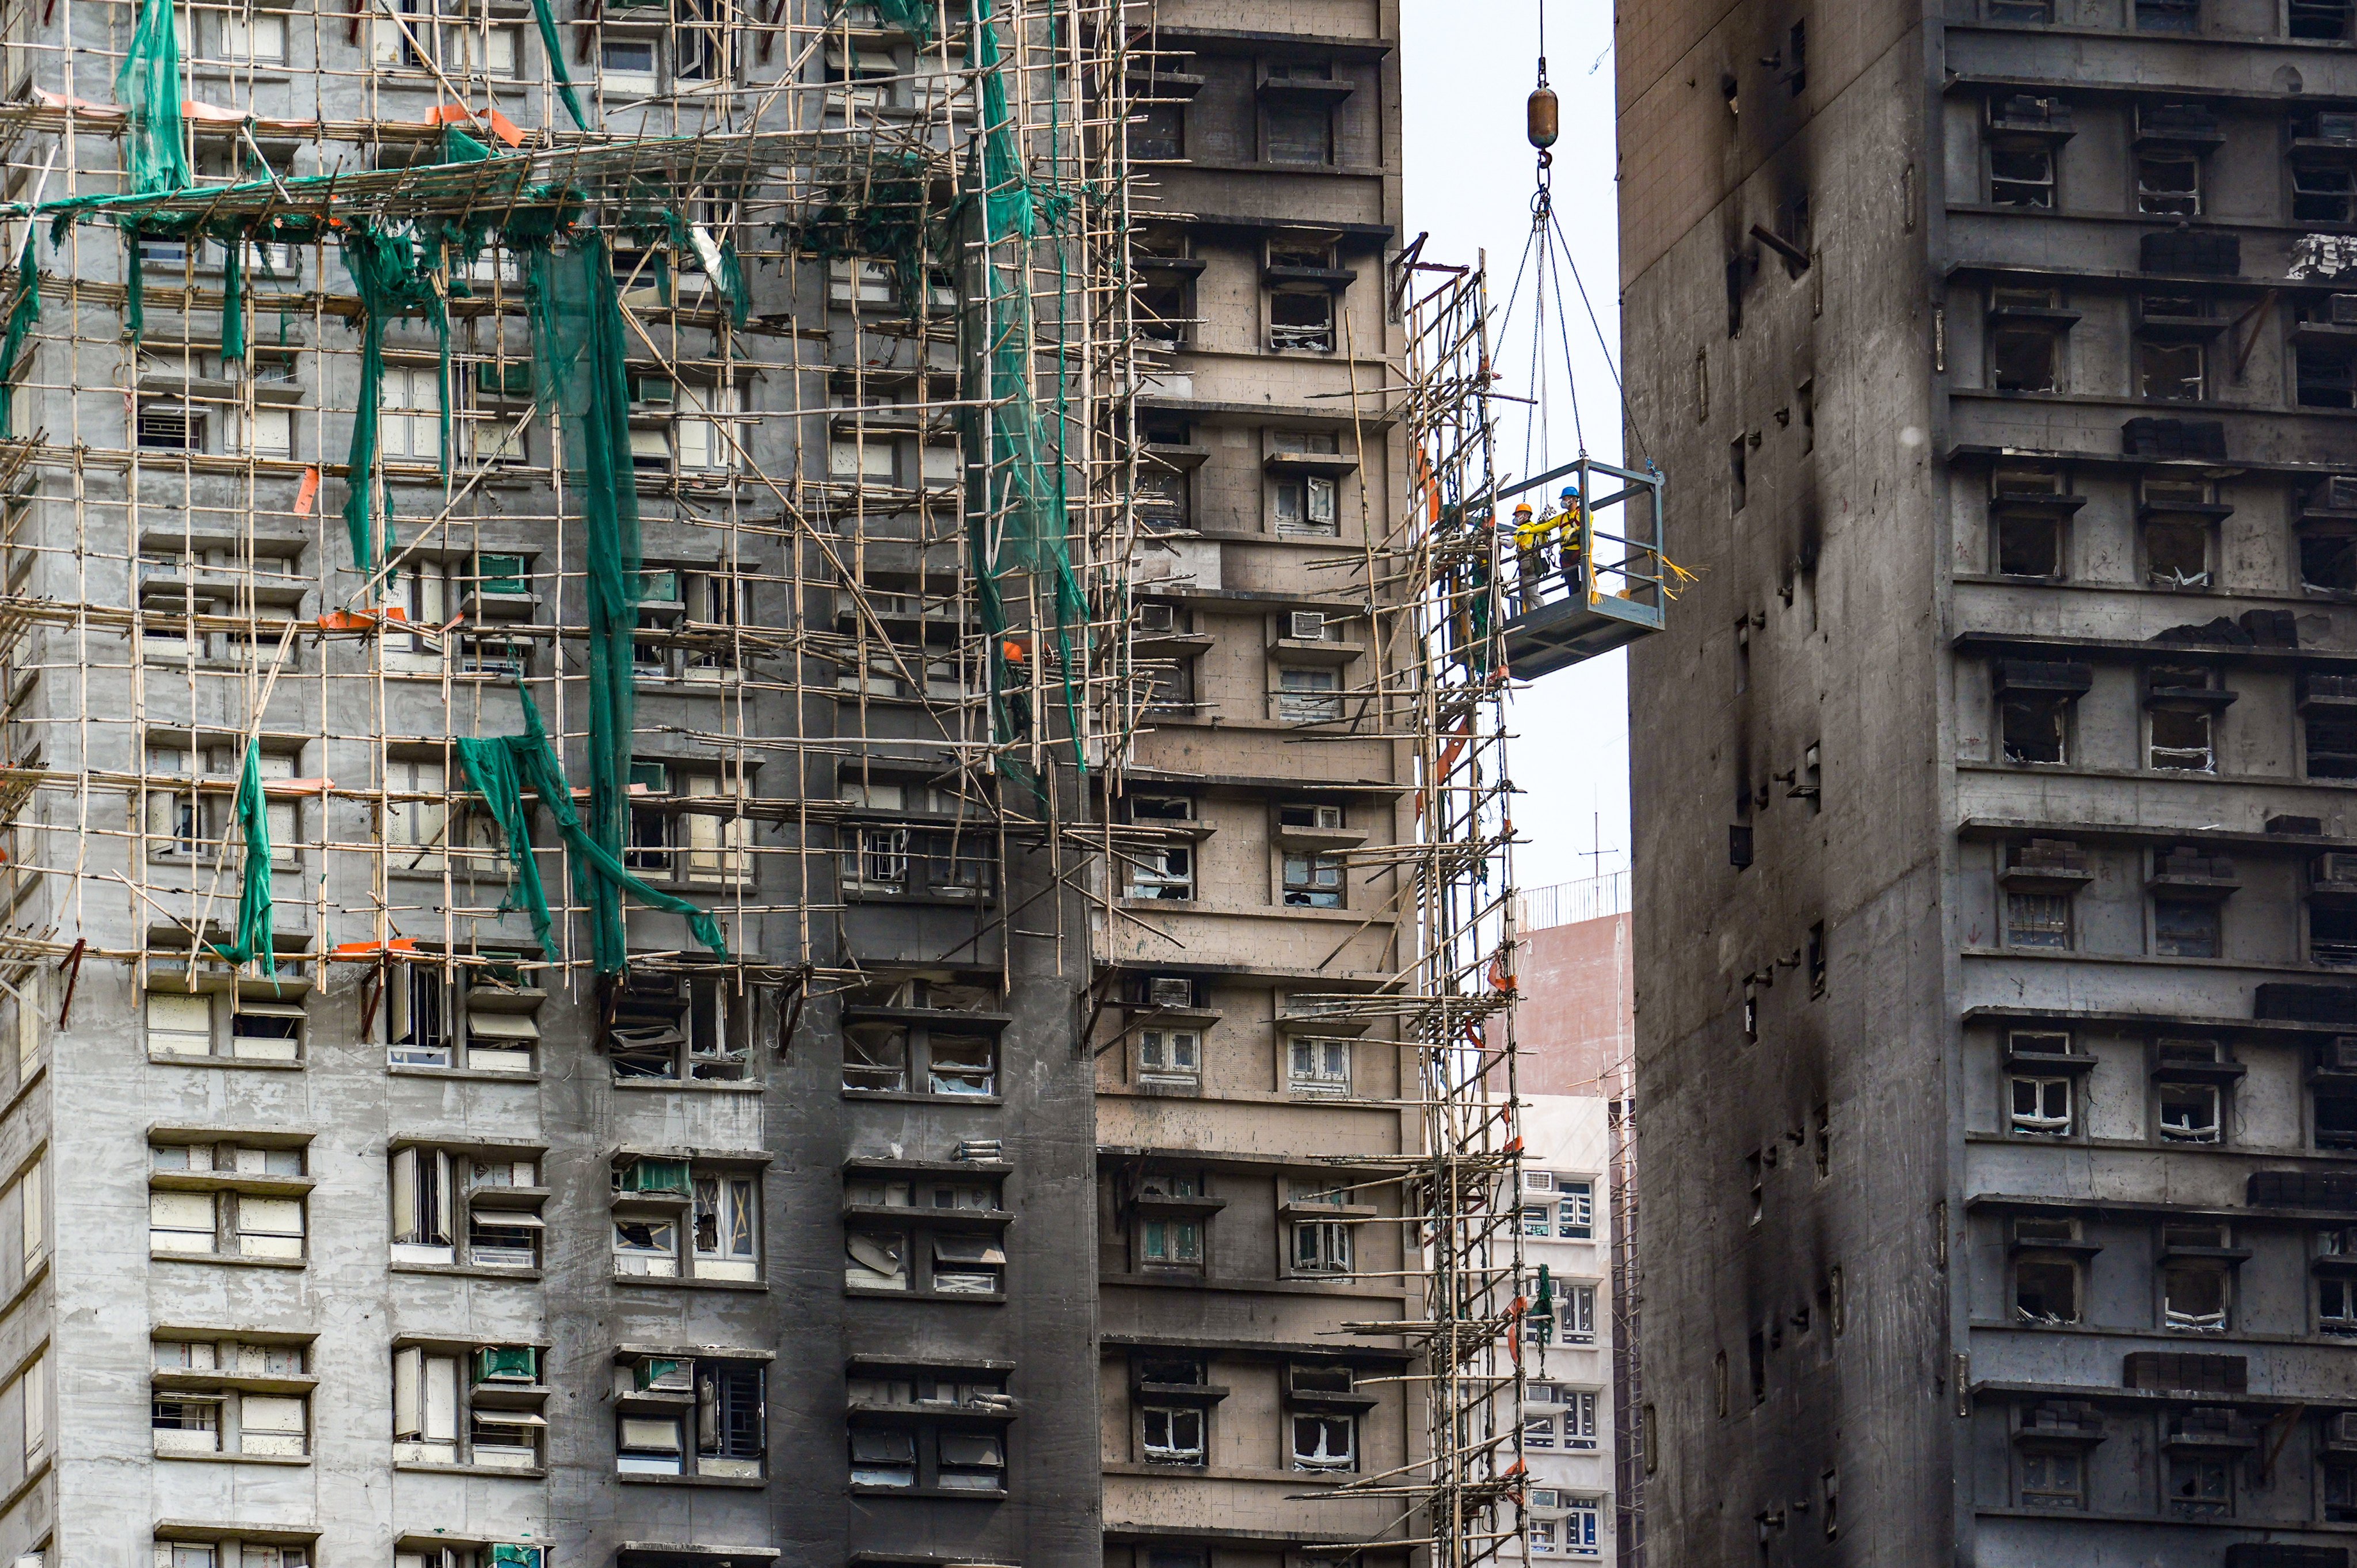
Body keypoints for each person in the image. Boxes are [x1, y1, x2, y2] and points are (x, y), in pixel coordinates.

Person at [1510, 500, 1546, 612]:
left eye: (1518, 515)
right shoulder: (1537, 529)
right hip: (1535, 562)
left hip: (1528, 563)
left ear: (1525, 516)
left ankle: (1543, 611)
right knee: (1527, 594)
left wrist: (1498, 539)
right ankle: (1532, 615)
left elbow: (1509, 545)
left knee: (1531, 593)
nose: (1516, 517)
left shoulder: (1523, 529)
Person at [1551, 483, 1586, 598]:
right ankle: (1574, 598)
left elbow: (1587, 526)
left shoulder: (1583, 513)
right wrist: (1529, 531)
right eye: (1563, 499)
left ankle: (1582, 597)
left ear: (1574, 499)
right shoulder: (1561, 518)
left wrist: (1573, 531)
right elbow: (1546, 526)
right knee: (1571, 582)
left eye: (1566, 499)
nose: (1564, 501)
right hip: (1566, 554)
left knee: (1581, 581)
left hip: (1578, 552)